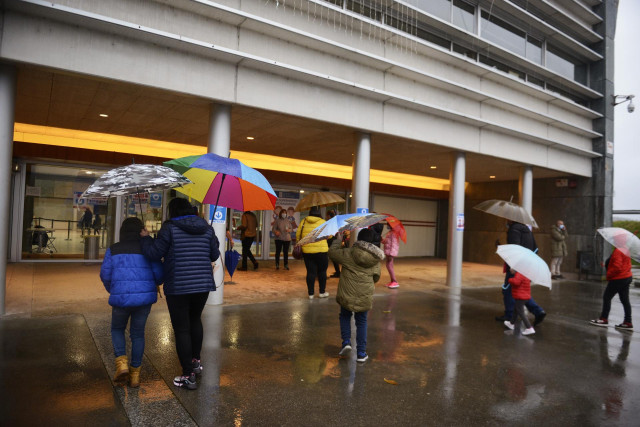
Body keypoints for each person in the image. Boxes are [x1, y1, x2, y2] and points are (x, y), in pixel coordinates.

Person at [140, 198, 220, 390]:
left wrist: (145, 238)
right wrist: (213, 239)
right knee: (195, 320)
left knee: (182, 329)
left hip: (179, 285)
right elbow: (214, 255)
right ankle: (196, 362)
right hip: (202, 285)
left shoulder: (169, 228)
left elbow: (154, 253)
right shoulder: (206, 228)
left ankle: (188, 375)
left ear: (173, 211)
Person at [100, 217, 163, 388]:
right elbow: (159, 274)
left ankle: (121, 364)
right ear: (140, 231)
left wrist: (113, 289)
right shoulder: (147, 250)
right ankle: (135, 375)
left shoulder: (113, 249)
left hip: (120, 299)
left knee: (117, 329)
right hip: (144, 301)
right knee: (137, 334)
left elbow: (105, 275)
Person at [329, 228, 385, 363]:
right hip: (364, 295)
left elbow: (332, 253)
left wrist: (338, 239)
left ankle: (346, 342)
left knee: (345, 315)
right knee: (361, 321)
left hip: (347, 292)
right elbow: (376, 277)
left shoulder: (348, 253)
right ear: (372, 241)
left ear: (358, 239)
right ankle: (361, 353)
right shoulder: (375, 259)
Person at [496, 220, 547, 326]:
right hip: (527, 264)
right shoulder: (527, 230)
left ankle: (509, 315)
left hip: (516, 265)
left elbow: (515, 249)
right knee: (521, 291)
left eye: (507, 219)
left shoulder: (513, 230)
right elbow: (535, 249)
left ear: (511, 220)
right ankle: (538, 311)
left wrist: (514, 265)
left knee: (508, 289)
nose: (505, 220)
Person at [589, 246, 634, 330]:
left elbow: (617, 267)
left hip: (618, 278)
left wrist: (609, 274)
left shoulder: (618, 251)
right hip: (627, 277)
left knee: (607, 297)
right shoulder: (625, 249)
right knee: (625, 300)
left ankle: (604, 319)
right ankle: (628, 322)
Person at [296, 206, 329, 299]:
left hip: (307, 251)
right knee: (322, 272)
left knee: (310, 272)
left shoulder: (303, 222)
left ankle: (311, 294)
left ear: (310, 213)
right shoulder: (323, 222)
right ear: (319, 213)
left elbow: (298, 236)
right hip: (321, 251)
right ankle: (322, 292)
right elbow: (329, 236)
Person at [503, 269, 536, 335]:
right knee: (516, 309)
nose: (510, 270)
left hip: (521, 297)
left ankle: (529, 328)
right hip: (524, 296)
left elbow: (516, 282)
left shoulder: (519, 274)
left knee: (521, 312)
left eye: (512, 269)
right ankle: (511, 323)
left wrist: (510, 279)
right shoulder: (524, 274)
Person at [381, 223, 400, 288]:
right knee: (389, 265)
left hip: (390, 252)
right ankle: (392, 281)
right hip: (388, 251)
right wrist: (381, 239)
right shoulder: (390, 232)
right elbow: (386, 241)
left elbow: (394, 244)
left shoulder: (394, 233)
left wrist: (391, 254)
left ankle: (395, 281)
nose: (387, 226)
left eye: (388, 224)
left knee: (389, 265)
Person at [325, 210, 341, 278]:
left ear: (328, 216)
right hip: (335, 241)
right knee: (333, 258)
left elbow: (328, 233)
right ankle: (338, 272)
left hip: (330, 241)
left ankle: (337, 272)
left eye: (326, 215)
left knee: (327, 258)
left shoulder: (329, 223)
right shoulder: (335, 222)